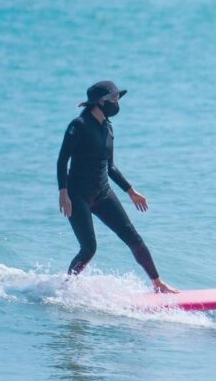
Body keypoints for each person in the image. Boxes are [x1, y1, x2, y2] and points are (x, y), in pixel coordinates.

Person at [56, 80, 177, 293]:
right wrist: (63, 193)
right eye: (113, 99)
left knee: (134, 239)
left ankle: (158, 284)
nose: (117, 103)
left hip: (102, 193)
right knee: (89, 249)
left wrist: (131, 191)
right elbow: (62, 160)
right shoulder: (79, 126)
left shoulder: (107, 128)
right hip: (78, 195)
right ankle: (65, 288)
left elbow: (110, 166)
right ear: (100, 102)